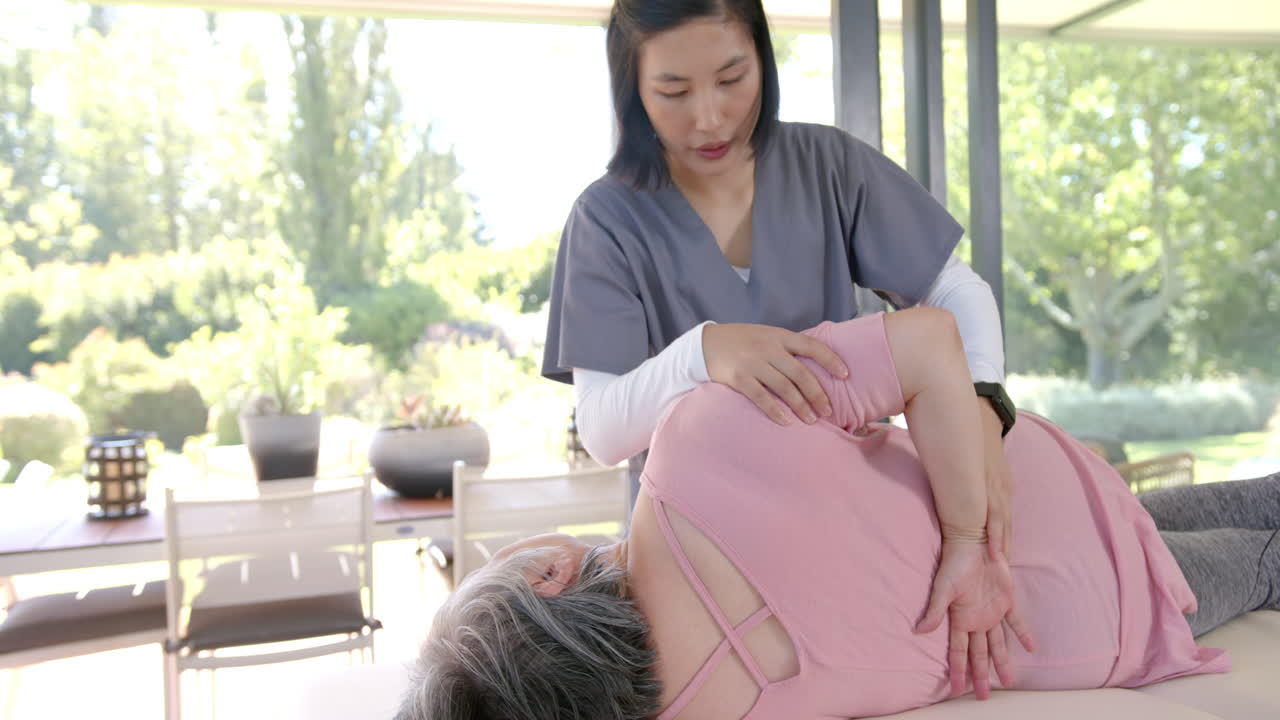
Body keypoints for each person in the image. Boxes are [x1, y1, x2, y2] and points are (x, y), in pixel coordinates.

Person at [399, 307, 1277, 720]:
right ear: (552, 575)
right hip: (1053, 510)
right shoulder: (701, 435)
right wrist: (967, 541)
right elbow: (929, 341)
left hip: (1093, 618)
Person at [541, 0, 1016, 568]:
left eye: (731, 79)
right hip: (695, 554)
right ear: (633, 92)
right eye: (674, 92)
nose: (710, 118)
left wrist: (983, 403)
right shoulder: (606, 220)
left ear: (762, 59)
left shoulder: (828, 166)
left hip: (856, 527)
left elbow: (954, 291)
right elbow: (602, 430)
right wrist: (703, 353)